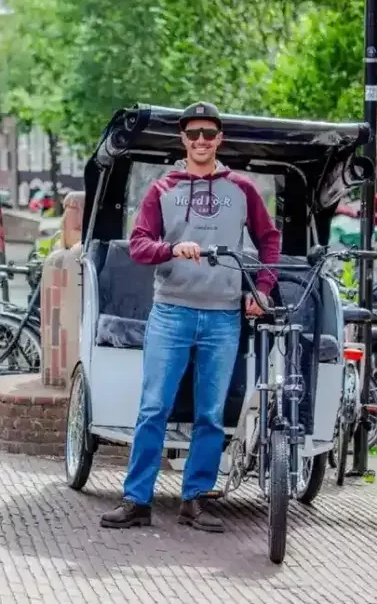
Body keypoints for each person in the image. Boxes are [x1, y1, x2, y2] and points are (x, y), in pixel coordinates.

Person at [99, 101, 281, 532]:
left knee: (211, 414)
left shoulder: (243, 190)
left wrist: (263, 290)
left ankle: (194, 499)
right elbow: (139, 244)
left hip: (222, 316)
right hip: (171, 312)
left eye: (209, 133)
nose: (201, 140)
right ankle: (137, 499)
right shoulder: (163, 189)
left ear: (220, 139)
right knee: (153, 408)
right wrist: (170, 248)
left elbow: (269, 240)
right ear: (182, 138)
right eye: (193, 133)